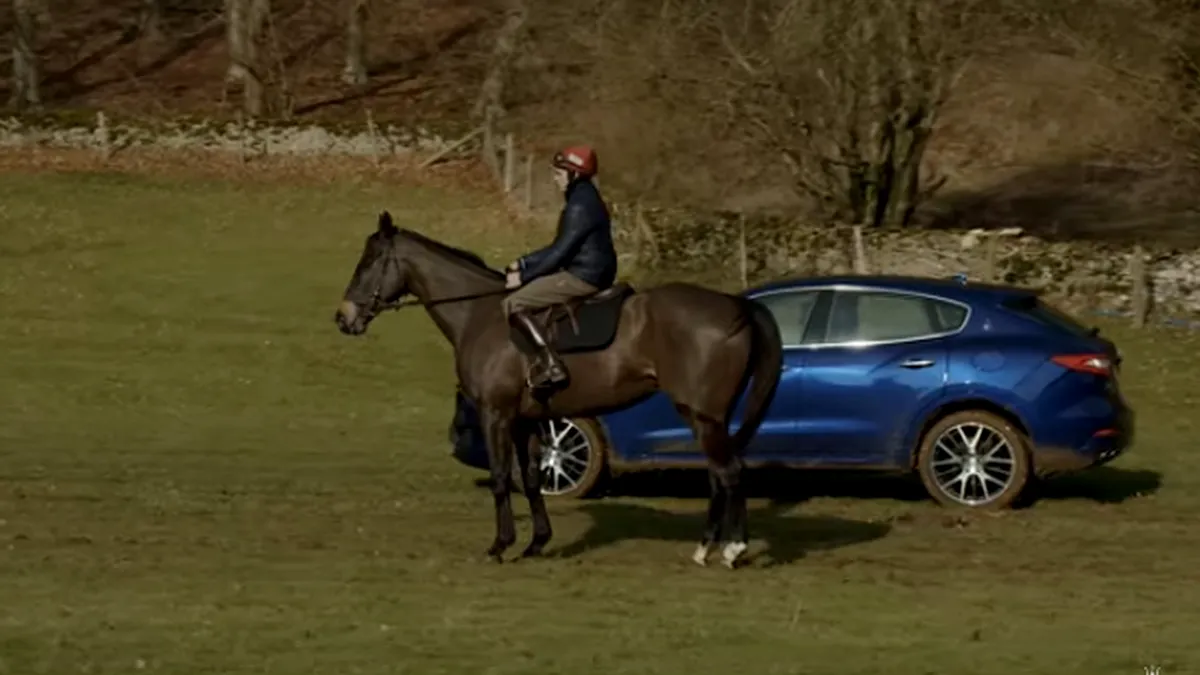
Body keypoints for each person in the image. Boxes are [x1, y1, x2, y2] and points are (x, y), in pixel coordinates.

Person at [502, 144, 617, 390]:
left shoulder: (579, 205)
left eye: (559, 173)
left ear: (573, 174)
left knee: (514, 302)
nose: (555, 179)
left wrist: (523, 277)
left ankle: (551, 364)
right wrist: (522, 261)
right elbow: (560, 246)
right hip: (591, 269)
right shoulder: (584, 198)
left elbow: (559, 253)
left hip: (585, 275)